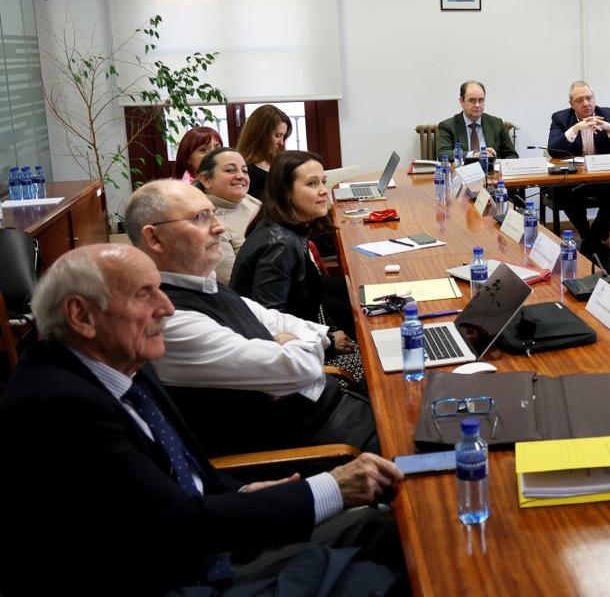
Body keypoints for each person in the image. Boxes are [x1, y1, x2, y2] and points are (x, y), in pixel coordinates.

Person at [0, 244, 404, 596]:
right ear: (81, 315)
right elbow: (176, 526)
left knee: (373, 527)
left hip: (206, 542)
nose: (168, 307)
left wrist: (246, 491)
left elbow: (189, 474)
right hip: (176, 577)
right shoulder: (59, 407)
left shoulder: (125, 363)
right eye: (145, 295)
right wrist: (333, 487)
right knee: (384, 560)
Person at [125, 179, 373, 456]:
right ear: (154, 238)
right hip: (310, 443)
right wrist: (290, 351)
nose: (219, 227)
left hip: (331, 407)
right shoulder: (168, 320)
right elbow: (296, 367)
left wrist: (286, 342)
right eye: (200, 218)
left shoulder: (203, 283)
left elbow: (278, 322)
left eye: (214, 214)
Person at [230, 150, 357, 341]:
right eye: (312, 183)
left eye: (323, 181)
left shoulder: (284, 226)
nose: (323, 190)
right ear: (286, 193)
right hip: (292, 355)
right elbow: (270, 325)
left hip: (309, 330)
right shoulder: (280, 244)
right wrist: (328, 341)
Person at [547, 80, 610, 269]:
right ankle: (591, 239)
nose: (586, 103)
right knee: (563, 192)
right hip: (575, 181)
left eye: (589, 98)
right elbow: (553, 150)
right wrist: (575, 129)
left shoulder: (607, 114)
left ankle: (589, 242)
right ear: (571, 104)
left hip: (601, 179)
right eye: (580, 100)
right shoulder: (560, 118)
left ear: (594, 98)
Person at [192, 146, 261, 286]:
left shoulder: (253, 202)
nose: (241, 176)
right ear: (206, 179)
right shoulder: (205, 221)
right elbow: (233, 283)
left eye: (245, 170)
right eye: (230, 170)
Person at [436, 79, 518, 161]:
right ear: (461, 101)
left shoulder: (497, 123)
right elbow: (443, 153)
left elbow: (511, 155)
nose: (477, 105)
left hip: (490, 172)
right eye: (472, 100)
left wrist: (500, 166)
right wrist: (474, 155)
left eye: (481, 100)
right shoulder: (448, 126)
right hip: (463, 172)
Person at [238, 104, 292, 201]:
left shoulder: (281, 164)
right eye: (278, 135)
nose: (281, 142)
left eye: (283, 136)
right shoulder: (246, 172)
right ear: (260, 135)